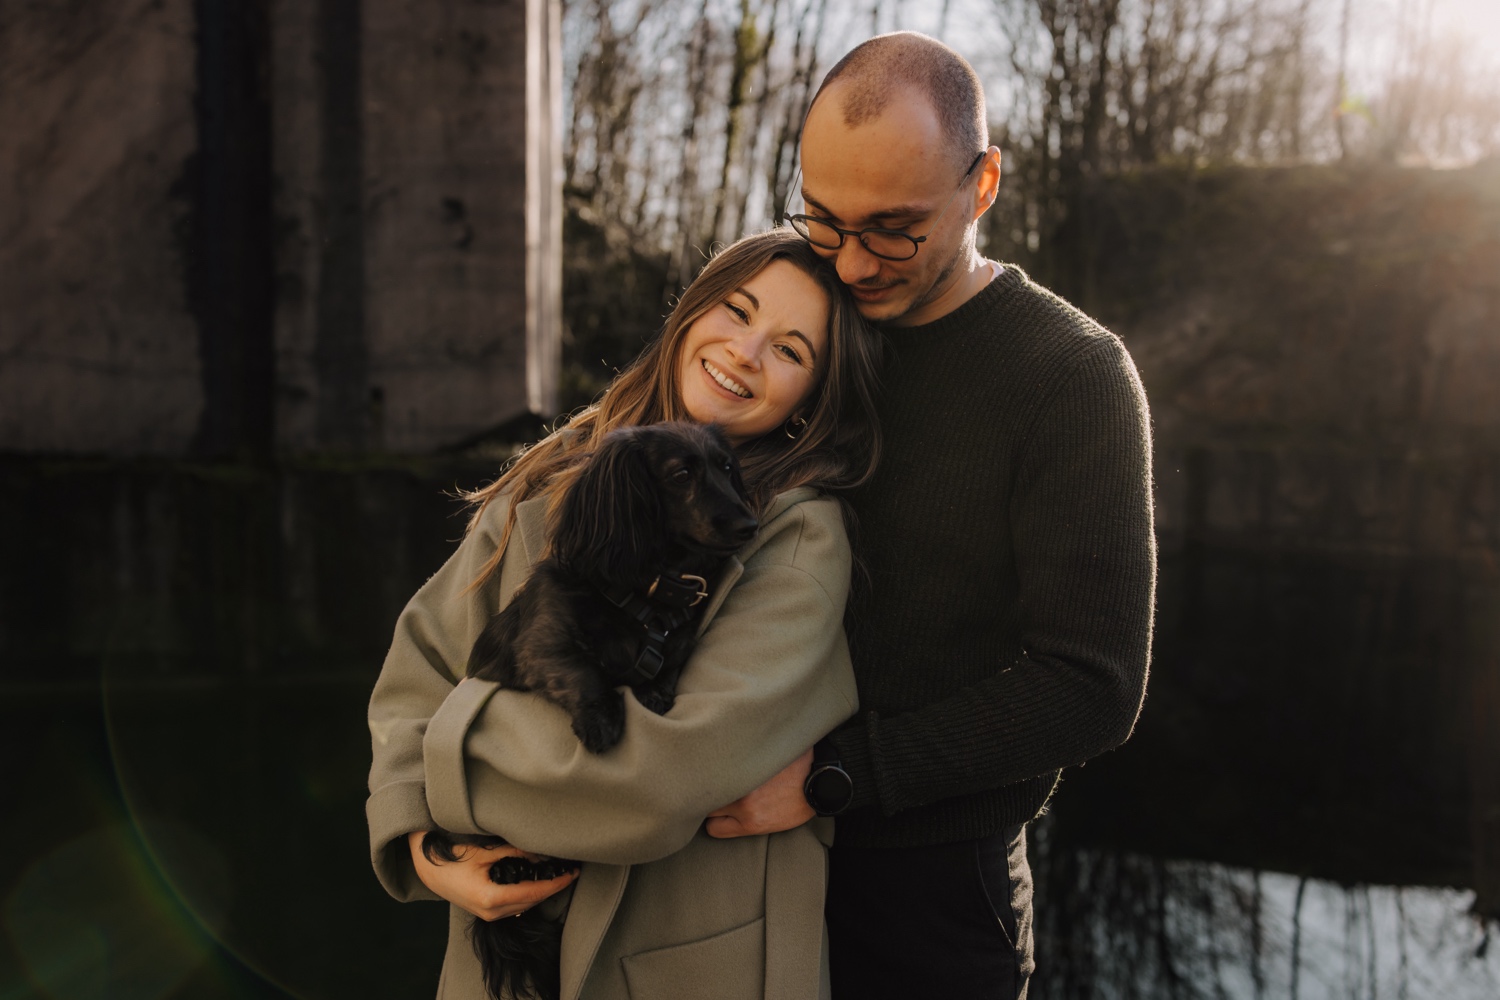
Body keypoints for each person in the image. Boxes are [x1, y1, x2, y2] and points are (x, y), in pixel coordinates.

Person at [704, 32, 1157, 1000]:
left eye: (895, 228)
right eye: (824, 219)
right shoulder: (792, 313)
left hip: (927, 899)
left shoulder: (1070, 377)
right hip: (719, 863)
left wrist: (835, 776)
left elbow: (1094, 683)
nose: (854, 265)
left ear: (983, 184)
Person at [366, 228, 883, 1000]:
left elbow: (653, 781)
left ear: (815, 396)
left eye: (791, 350)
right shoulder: (553, 475)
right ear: (690, 312)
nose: (745, 351)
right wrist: (420, 842)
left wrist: (447, 755)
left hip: (693, 963)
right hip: (502, 957)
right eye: (736, 311)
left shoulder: (798, 535)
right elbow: (415, 673)